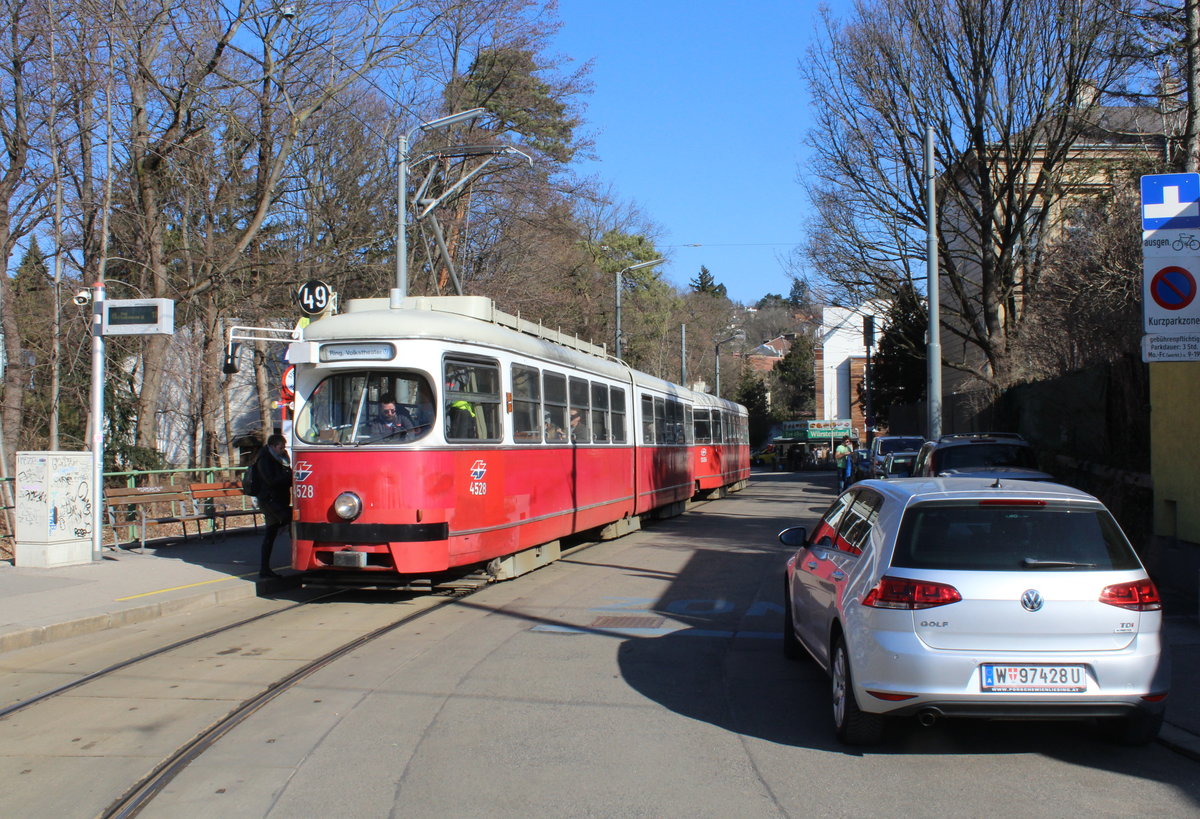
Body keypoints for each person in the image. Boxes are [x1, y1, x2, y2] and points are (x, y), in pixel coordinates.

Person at [251, 433, 292, 579]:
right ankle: (295, 556)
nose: (283, 450)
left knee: (271, 533)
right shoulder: (265, 459)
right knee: (292, 520)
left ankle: (265, 568)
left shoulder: (281, 457)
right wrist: (289, 478)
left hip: (278, 500)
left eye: (284, 447)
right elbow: (271, 480)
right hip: (269, 500)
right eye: (280, 447)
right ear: (273, 446)